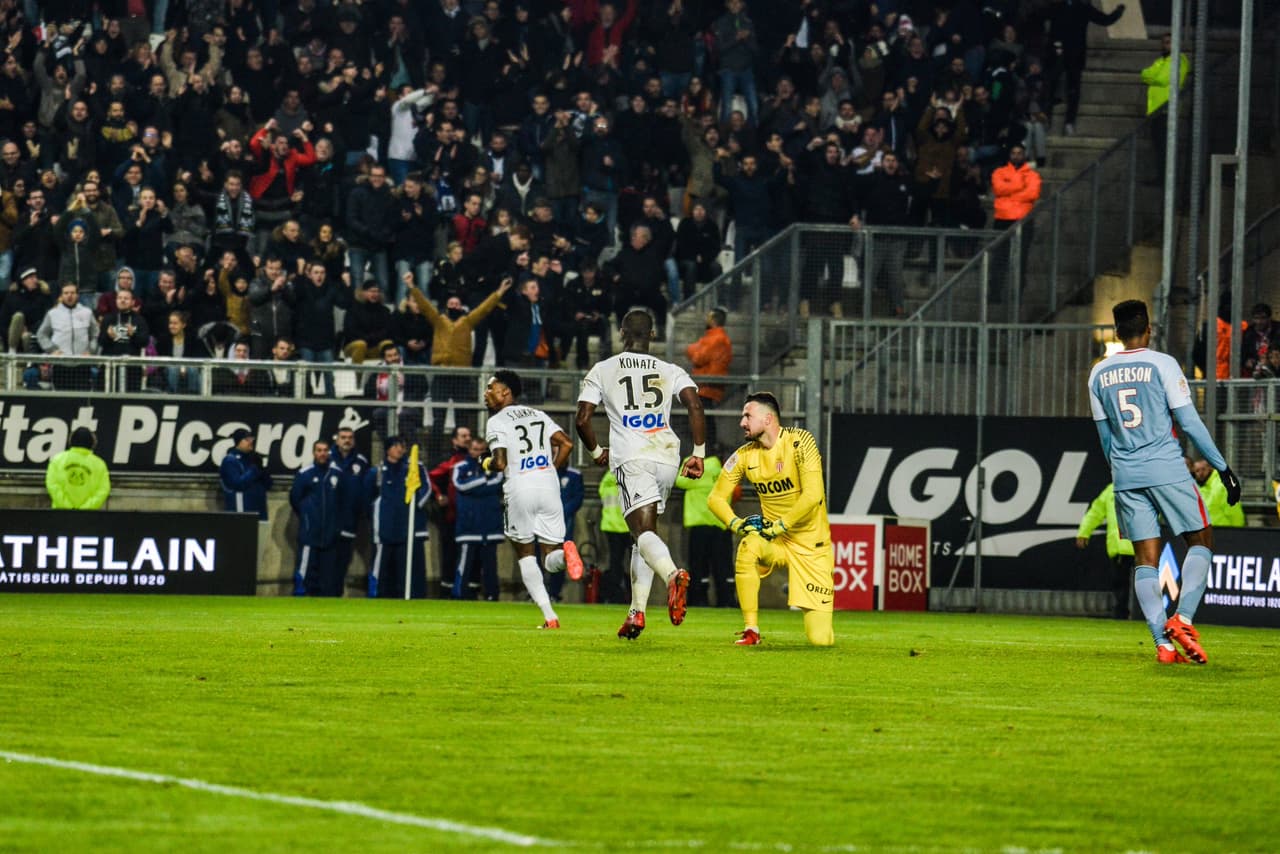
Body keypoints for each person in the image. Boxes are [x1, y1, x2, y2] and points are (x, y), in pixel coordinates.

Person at [1087, 299, 1241, 664]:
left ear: (1118, 332)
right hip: (1167, 468)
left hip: (1126, 474)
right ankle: (1183, 620)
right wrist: (1222, 467)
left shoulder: (1098, 374)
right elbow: (1189, 424)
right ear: (1149, 328)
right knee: (1201, 539)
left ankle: (1164, 645)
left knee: (1145, 560)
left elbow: (1105, 437)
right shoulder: (1163, 364)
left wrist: (1121, 471)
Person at [575, 309, 707, 640]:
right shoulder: (670, 369)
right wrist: (699, 453)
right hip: (666, 457)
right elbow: (695, 406)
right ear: (653, 335)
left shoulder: (603, 369)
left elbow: (582, 419)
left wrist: (595, 452)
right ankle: (637, 613)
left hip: (633, 457)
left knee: (643, 532)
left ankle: (673, 575)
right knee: (643, 537)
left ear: (621, 333)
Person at [707, 391, 835, 647]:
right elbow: (715, 498)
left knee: (820, 640)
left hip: (812, 547)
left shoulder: (801, 442)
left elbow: (813, 495)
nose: (742, 422)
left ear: (767, 419)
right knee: (748, 546)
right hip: (776, 542)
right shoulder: (744, 455)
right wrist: (736, 524)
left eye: (747, 415)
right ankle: (751, 629)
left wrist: (780, 525)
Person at [483, 369, 583, 628]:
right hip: (549, 487)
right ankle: (565, 554)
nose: (486, 394)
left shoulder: (496, 421)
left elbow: (501, 462)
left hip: (520, 488)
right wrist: (552, 469)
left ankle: (550, 617)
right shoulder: (538, 414)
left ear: (505, 392)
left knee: (525, 553)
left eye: (490, 388)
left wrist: (486, 463)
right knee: (550, 558)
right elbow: (568, 444)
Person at [368, 436, 433, 600]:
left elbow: (426, 489)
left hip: (407, 528)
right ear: (388, 449)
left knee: (407, 567)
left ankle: (409, 596)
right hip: (385, 527)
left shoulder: (414, 467)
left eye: (402, 446)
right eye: (396, 446)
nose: (400, 449)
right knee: (382, 566)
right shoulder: (378, 471)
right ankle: (378, 594)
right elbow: (367, 496)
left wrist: (415, 505)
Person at [290, 439, 351, 597]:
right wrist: (308, 518)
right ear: (314, 452)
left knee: (328, 579)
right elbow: (295, 499)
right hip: (310, 535)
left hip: (330, 536)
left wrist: (336, 527)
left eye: (325, 450)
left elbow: (343, 501)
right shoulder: (305, 474)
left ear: (329, 452)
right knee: (306, 575)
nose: (322, 453)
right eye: (319, 450)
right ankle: (300, 601)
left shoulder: (336, 473)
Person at [676, 448, 733, 608]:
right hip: (721, 524)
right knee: (723, 565)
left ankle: (699, 599)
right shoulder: (722, 471)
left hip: (699, 524)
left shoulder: (697, 469)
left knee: (699, 565)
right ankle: (726, 599)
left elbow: (680, 481)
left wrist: (689, 460)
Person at [451, 436, 506, 601]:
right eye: (475, 449)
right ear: (469, 449)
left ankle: (492, 595)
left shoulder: (494, 466)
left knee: (490, 565)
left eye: (482, 450)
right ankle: (459, 593)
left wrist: (475, 487)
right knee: (465, 564)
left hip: (490, 525)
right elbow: (460, 485)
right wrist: (483, 480)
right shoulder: (460, 466)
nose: (478, 453)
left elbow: (497, 483)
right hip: (469, 525)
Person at [1075, 483, 1135, 620]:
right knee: (1120, 582)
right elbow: (1095, 512)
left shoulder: (1144, 485)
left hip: (1142, 545)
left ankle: (1139, 615)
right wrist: (1084, 532)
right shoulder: (1110, 490)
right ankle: (1122, 615)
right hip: (1119, 547)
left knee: (1141, 583)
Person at [990, 144, 1041, 301]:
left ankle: (1017, 297)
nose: (1016, 156)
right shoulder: (999, 172)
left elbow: (1032, 193)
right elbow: (998, 189)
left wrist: (1009, 193)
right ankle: (995, 295)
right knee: (999, 259)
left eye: (1019, 153)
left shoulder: (1032, 175)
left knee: (1021, 261)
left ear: (1024, 155)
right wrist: (1019, 186)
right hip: (1002, 220)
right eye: (1014, 152)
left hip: (1022, 221)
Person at [1141, 33, 1189, 176]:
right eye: (1164, 42)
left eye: (1168, 42)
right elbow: (1145, 74)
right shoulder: (1162, 61)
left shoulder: (1179, 60)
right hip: (1157, 110)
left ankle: (1165, 178)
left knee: (1164, 147)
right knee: (1158, 146)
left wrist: (1150, 77)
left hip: (1166, 110)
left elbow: (1161, 79)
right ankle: (1161, 176)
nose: (1165, 45)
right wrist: (1150, 76)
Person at [331, 427, 371, 591]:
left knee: (343, 560)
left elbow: (367, 489)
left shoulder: (361, 461)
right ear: (337, 440)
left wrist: (362, 510)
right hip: (329, 521)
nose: (347, 440)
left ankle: (336, 593)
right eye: (343, 437)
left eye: (350, 437)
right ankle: (322, 593)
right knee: (326, 560)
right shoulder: (328, 458)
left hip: (350, 520)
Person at [685, 307, 732, 446]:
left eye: (709, 317)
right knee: (704, 419)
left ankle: (708, 450)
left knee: (705, 421)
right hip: (705, 385)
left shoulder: (716, 338)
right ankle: (707, 449)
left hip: (707, 385)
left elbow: (697, 357)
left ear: (713, 320)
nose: (706, 319)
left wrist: (693, 349)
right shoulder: (714, 337)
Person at [46, 427, 111, 510]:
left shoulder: (58, 460)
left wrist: (67, 507)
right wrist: (85, 509)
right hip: (89, 517)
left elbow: (53, 485)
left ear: (71, 441)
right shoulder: (99, 464)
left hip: (60, 515)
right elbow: (103, 490)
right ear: (92, 443)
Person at [219, 428, 272, 521]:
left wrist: (262, 469)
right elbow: (238, 484)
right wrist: (254, 469)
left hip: (259, 509)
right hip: (242, 511)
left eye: (251, 439)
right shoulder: (230, 460)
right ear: (239, 442)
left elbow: (268, 484)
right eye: (247, 440)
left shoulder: (253, 458)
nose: (251, 442)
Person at [1188, 456, 1245, 529]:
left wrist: (1238, 532)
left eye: (1203, 469)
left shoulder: (1221, 486)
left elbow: (1234, 513)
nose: (1200, 473)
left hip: (1225, 531)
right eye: (1197, 471)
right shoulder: (1200, 486)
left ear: (1210, 468)